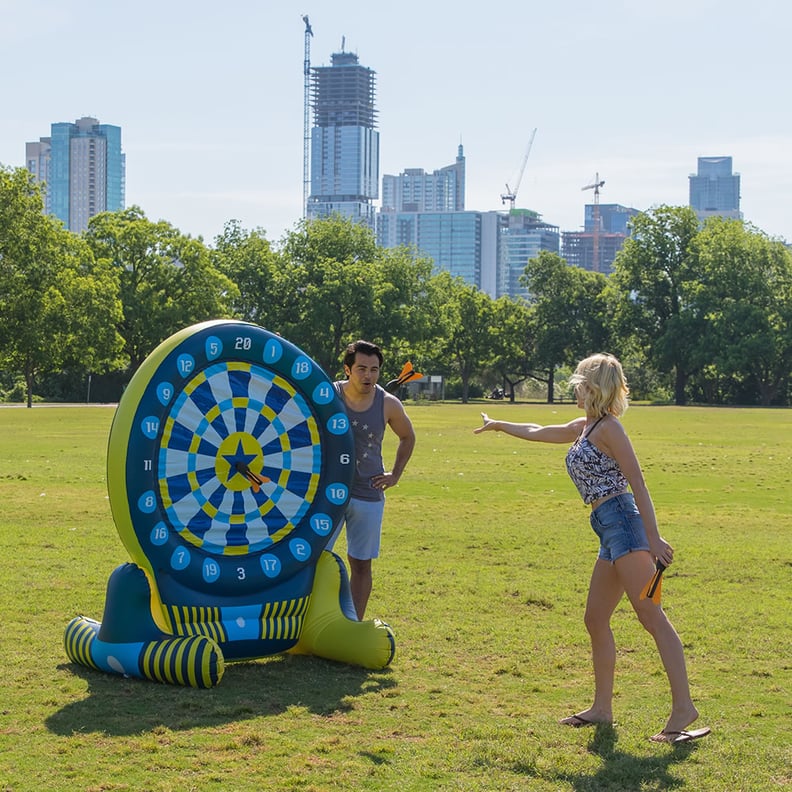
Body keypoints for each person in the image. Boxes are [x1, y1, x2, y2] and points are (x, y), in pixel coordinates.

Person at [473, 353, 709, 745]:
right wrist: (499, 425)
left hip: (626, 525)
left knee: (652, 618)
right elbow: (539, 429)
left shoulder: (610, 429)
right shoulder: (587, 426)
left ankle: (683, 707)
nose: (576, 391)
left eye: (580, 384)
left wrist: (653, 537)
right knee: (595, 618)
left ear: (592, 387)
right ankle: (602, 709)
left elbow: (638, 481)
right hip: (607, 529)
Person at [326, 340, 416, 621]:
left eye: (374, 370)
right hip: (327, 493)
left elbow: (408, 437)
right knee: (314, 560)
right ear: (347, 370)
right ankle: (309, 621)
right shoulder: (328, 394)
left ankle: (353, 624)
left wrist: (395, 475)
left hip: (368, 492)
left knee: (361, 564)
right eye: (362, 369)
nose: (368, 376)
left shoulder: (388, 403)